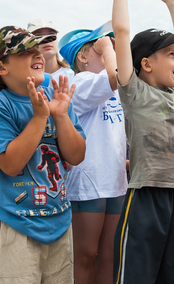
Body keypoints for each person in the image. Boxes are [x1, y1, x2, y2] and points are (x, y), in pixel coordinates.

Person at [106, 0, 174, 284]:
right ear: (145, 63)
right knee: (136, 275)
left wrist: (173, 3)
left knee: (172, 274)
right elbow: (123, 31)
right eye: (169, 54)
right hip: (146, 193)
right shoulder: (134, 90)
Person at [0, 26, 86, 283]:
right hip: (15, 224)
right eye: (26, 52)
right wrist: (39, 117)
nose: (37, 55)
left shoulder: (53, 96)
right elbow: (11, 165)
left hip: (58, 220)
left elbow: (77, 156)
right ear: (1, 67)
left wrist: (59, 116)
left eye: (38, 49)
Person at [58, 22, 127, 284]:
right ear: (82, 57)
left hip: (114, 182)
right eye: (98, 46)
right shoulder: (81, 82)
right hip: (88, 183)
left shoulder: (112, 87)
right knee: (85, 254)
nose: (108, 47)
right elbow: (115, 74)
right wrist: (108, 46)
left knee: (110, 254)